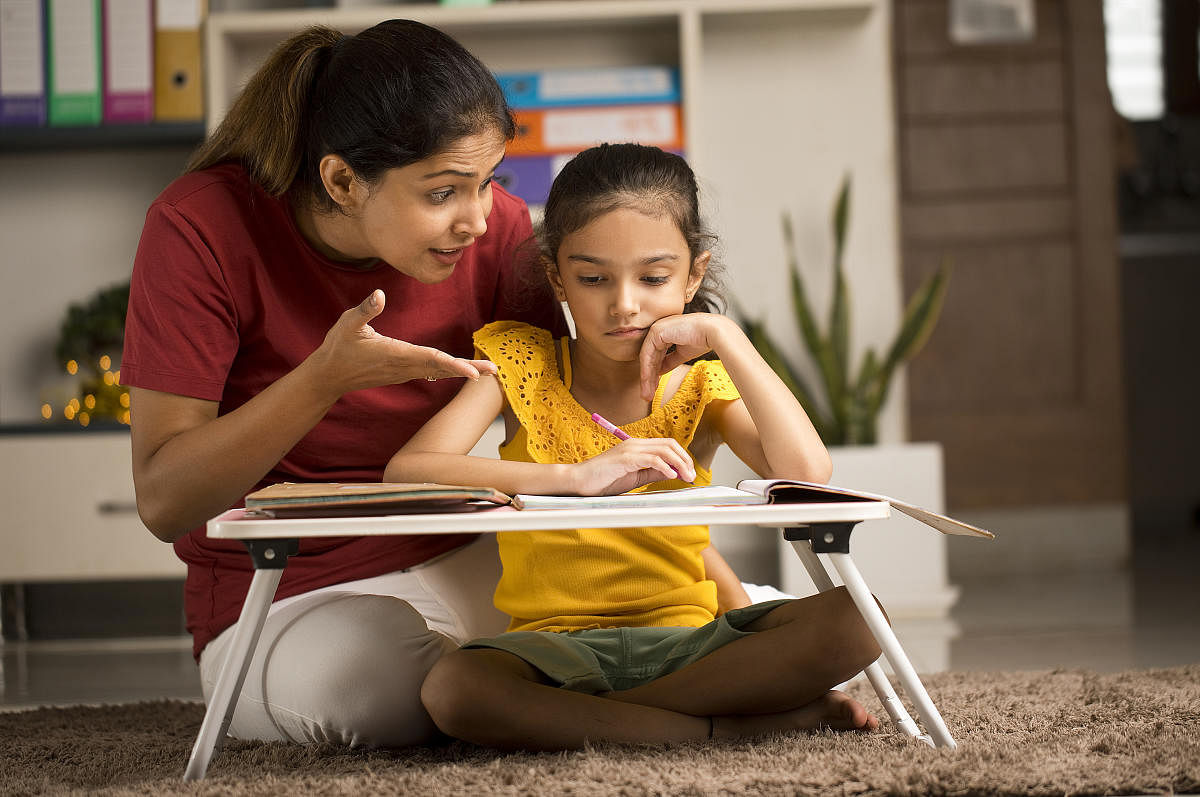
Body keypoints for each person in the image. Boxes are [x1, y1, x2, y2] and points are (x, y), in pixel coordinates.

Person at [119, 19, 567, 748]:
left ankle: (509, 685)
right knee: (372, 691)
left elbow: (562, 428)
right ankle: (519, 683)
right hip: (283, 592)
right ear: (341, 179)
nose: (479, 219)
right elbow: (165, 500)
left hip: (462, 553)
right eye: (444, 192)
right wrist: (323, 379)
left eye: (489, 182)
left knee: (647, 616)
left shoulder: (500, 232)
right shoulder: (199, 226)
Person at [384, 143, 884, 751]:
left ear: (693, 275)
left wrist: (727, 338)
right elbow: (410, 470)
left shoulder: (703, 383)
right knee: (455, 689)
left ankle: (598, 719)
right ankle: (724, 728)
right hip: (549, 646)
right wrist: (577, 477)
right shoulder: (525, 361)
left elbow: (807, 473)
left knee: (860, 617)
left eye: (653, 278)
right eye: (593, 278)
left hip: (690, 643)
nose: (624, 304)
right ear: (557, 279)